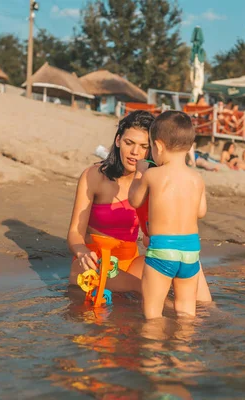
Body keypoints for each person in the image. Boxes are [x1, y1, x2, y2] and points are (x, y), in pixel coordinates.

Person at [67, 111, 212, 301]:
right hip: (95, 263)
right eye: (129, 143)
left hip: (132, 263)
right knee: (149, 293)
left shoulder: (153, 182)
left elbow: (149, 238)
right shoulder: (94, 176)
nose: (135, 152)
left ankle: (209, 312)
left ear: (153, 148)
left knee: (191, 264)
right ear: (118, 140)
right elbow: (74, 233)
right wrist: (82, 251)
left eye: (144, 146)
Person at [128, 111, 206, 319]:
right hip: (190, 252)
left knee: (152, 313)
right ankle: (181, 349)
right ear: (189, 146)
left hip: (163, 249)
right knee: (186, 310)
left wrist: (139, 173)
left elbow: (135, 200)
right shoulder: (196, 178)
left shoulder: (153, 175)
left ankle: (153, 349)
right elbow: (201, 212)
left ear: (159, 146)